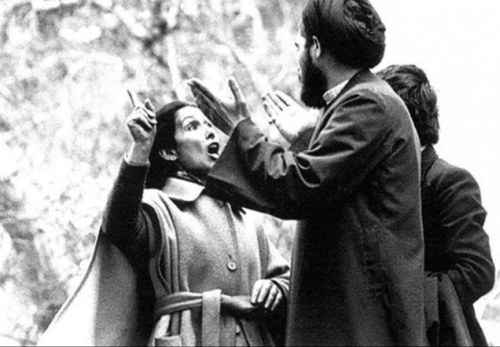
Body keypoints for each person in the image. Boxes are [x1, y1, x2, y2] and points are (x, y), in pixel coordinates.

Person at [188, 0, 426, 345]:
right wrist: (305, 139)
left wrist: (241, 129)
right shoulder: (363, 100)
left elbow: (301, 185)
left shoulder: (368, 103)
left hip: (359, 324)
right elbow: (337, 193)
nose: (296, 57)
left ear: (316, 48)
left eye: (299, 45)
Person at [38, 96, 290, 347]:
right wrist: (140, 149)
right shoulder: (157, 206)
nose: (209, 133)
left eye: (209, 125)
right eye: (193, 126)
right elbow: (119, 226)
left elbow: (287, 278)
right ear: (169, 151)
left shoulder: (246, 216)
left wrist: (276, 288)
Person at [376, 64, 495, 346]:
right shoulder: (381, 181)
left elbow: (477, 272)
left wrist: (399, 295)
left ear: (401, 120)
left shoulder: (449, 181)